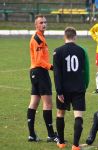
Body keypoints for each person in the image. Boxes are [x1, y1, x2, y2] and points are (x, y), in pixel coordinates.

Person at [53, 27, 90, 150]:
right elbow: (85, 71)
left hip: (63, 89)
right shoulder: (81, 51)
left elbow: (57, 73)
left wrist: (59, 91)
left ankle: (62, 143)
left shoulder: (57, 51)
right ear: (75, 37)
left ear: (65, 37)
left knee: (60, 114)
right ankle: (75, 145)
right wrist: (85, 85)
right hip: (78, 88)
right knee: (78, 116)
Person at [27, 14, 59, 143]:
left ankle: (31, 135)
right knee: (48, 103)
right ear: (36, 25)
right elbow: (40, 60)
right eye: (41, 23)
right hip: (40, 72)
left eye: (45, 22)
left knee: (34, 102)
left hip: (35, 72)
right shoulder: (38, 39)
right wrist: (52, 67)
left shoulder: (40, 37)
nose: (44, 24)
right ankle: (51, 135)